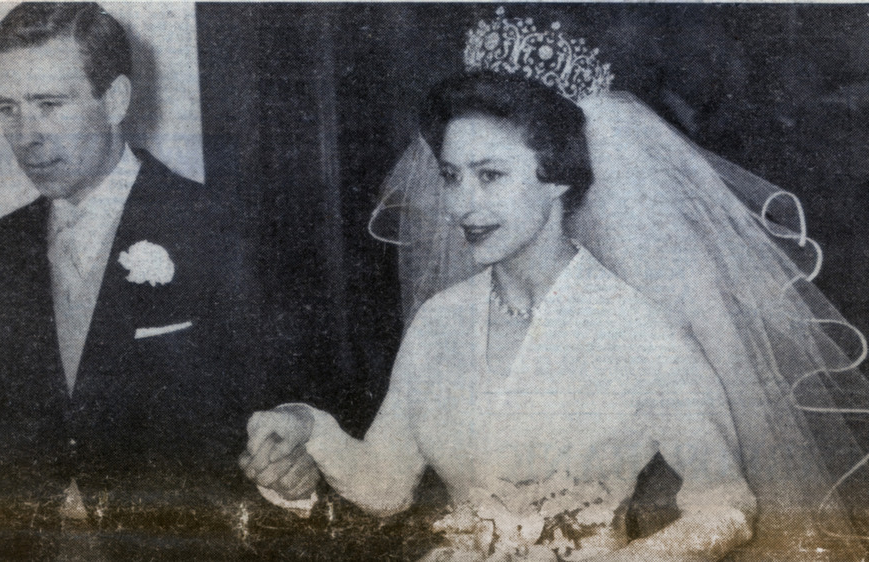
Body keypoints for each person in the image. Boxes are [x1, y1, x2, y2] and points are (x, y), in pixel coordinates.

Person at [242, 10, 869, 561]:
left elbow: (725, 505)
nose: (462, 204)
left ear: (558, 178)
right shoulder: (441, 321)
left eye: (490, 175)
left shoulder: (639, 329)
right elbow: (385, 486)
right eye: (452, 176)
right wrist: (307, 427)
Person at [0, 3, 330, 559]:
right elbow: (10, 450)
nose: (27, 136)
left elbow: (304, 407)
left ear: (115, 100)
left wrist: (298, 462)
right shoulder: (1, 248)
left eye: (49, 105)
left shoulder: (220, 226)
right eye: (8, 108)